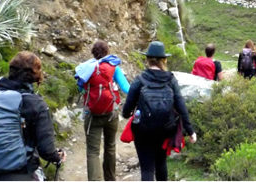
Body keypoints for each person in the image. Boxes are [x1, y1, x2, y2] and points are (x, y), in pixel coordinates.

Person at [0, 51, 66, 181]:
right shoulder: (35, 103)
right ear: (35, 76)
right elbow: (46, 150)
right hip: (20, 174)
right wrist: (57, 157)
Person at [122, 41, 197, 181]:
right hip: (165, 129)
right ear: (164, 60)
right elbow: (181, 106)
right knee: (161, 163)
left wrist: (127, 114)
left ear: (147, 59)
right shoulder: (170, 80)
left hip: (143, 130)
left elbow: (127, 109)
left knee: (147, 169)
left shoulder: (140, 79)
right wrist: (190, 131)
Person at [83, 41, 130, 181]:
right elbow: (126, 88)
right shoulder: (113, 68)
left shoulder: (86, 68)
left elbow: (80, 88)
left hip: (92, 115)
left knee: (93, 152)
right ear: (107, 52)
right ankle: (110, 178)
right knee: (110, 146)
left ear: (93, 53)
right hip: (111, 113)